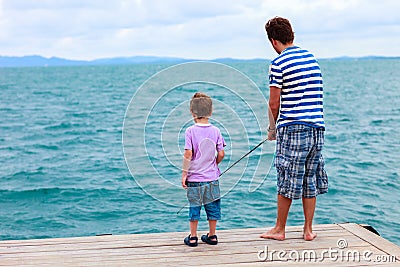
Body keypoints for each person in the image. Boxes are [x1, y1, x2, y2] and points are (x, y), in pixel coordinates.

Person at [260, 17, 328, 241]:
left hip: (293, 128)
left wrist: (272, 129)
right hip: (317, 128)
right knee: (310, 178)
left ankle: (280, 230)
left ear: (273, 41)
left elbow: (273, 103)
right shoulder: (311, 58)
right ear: (292, 35)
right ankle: (308, 230)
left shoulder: (278, 63)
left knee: (286, 176)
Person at [181, 92, 226, 247]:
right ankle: (212, 235)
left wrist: (184, 174)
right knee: (213, 206)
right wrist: (215, 164)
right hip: (212, 178)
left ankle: (193, 237)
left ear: (192, 112)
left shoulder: (190, 131)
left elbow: (188, 153)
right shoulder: (216, 131)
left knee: (194, 206)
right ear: (210, 112)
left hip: (194, 179)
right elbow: (221, 153)